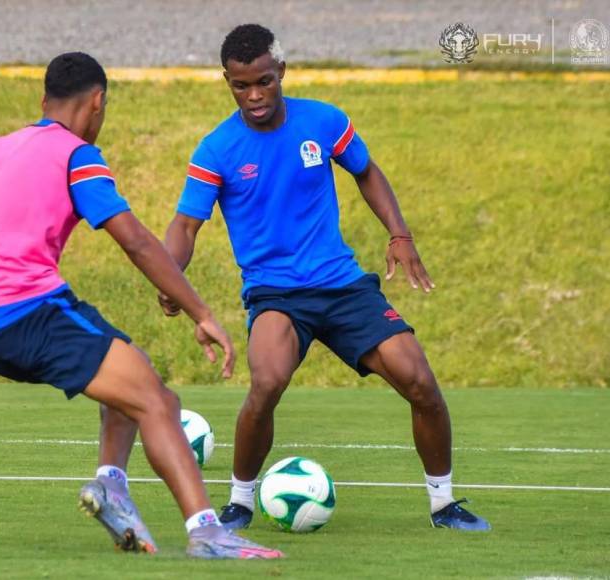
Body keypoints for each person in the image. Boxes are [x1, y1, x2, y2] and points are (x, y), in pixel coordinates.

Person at [0, 52, 283, 559]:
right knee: (158, 403)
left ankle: (111, 485)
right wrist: (201, 312)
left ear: (44, 102)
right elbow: (136, 242)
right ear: (97, 102)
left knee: (136, 381)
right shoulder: (76, 154)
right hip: (30, 313)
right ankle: (207, 533)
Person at [160, 25, 490, 532]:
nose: (254, 96)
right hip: (276, 294)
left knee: (421, 382)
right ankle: (240, 503)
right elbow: (186, 224)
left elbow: (366, 170)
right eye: (240, 86)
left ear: (281, 73)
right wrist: (169, 276)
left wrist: (398, 233)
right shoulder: (216, 150)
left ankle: (444, 504)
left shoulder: (324, 121)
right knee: (266, 383)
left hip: (343, 286)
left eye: (264, 82)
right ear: (226, 80)